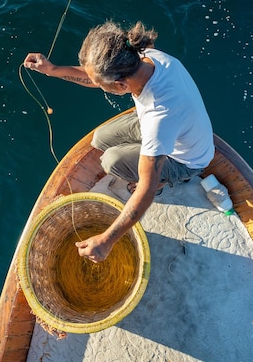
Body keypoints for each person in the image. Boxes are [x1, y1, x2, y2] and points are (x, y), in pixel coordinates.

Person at [23, 20, 214, 263]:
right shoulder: (142, 56)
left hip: (185, 159)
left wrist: (106, 240)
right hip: (169, 126)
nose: (99, 87)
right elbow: (98, 76)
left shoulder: (159, 114)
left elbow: (145, 186)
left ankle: (168, 181)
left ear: (121, 85)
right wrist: (53, 70)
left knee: (111, 160)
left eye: (104, 86)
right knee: (100, 139)